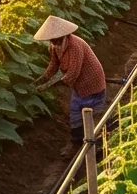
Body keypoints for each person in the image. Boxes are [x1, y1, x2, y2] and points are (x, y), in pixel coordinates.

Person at [34, 15, 107, 145]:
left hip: (92, 83)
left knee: (91, 116)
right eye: (51, 39)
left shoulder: (75, 45)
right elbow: (54, 65)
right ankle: (77, 143)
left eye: (54, 38)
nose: (52, 41)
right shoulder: (55, 46)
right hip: (78, 87)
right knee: (75, 115)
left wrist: (50, 86)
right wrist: (42, 79)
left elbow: (73, 72)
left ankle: (96, 144)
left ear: (62, 35)